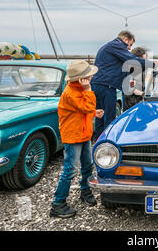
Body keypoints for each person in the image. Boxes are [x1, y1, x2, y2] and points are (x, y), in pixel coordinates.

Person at [50, 60, 104, 218]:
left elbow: (82, 110)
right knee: (70, 170)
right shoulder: (71, 92)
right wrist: (88, 89)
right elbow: (85, 106)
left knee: (88, 165)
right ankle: (58, 204)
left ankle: (85, 191)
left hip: (83, 134)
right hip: (73, 137)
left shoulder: (77, 89)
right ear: (82, 78)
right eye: (89, 75)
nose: (92, 76)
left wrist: (94, 113)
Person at [91, 31, 154, 139]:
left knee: (100, 116)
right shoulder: (116, 45)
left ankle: (98, 141)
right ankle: (107, 142)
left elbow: (114, 67)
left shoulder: (108, 47)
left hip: (98, 85)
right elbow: (132, 60)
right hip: (106, 86)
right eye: (130, 45)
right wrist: (152, 64)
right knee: (109, 117)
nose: (129, 49)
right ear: (125, 39)